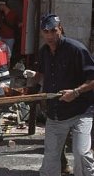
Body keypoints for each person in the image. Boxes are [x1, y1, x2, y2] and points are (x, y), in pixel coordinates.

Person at [24, 14, 94, 176]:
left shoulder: (76, 49)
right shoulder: (44, 52)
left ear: (60, 29)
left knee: (82, 154)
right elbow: (42, 74)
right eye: (45, 31)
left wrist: (76, 92)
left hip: (81, 111)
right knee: (50, 159)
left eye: (53, 31)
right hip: (56, 112)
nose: (49, 35)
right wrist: (32, 82)